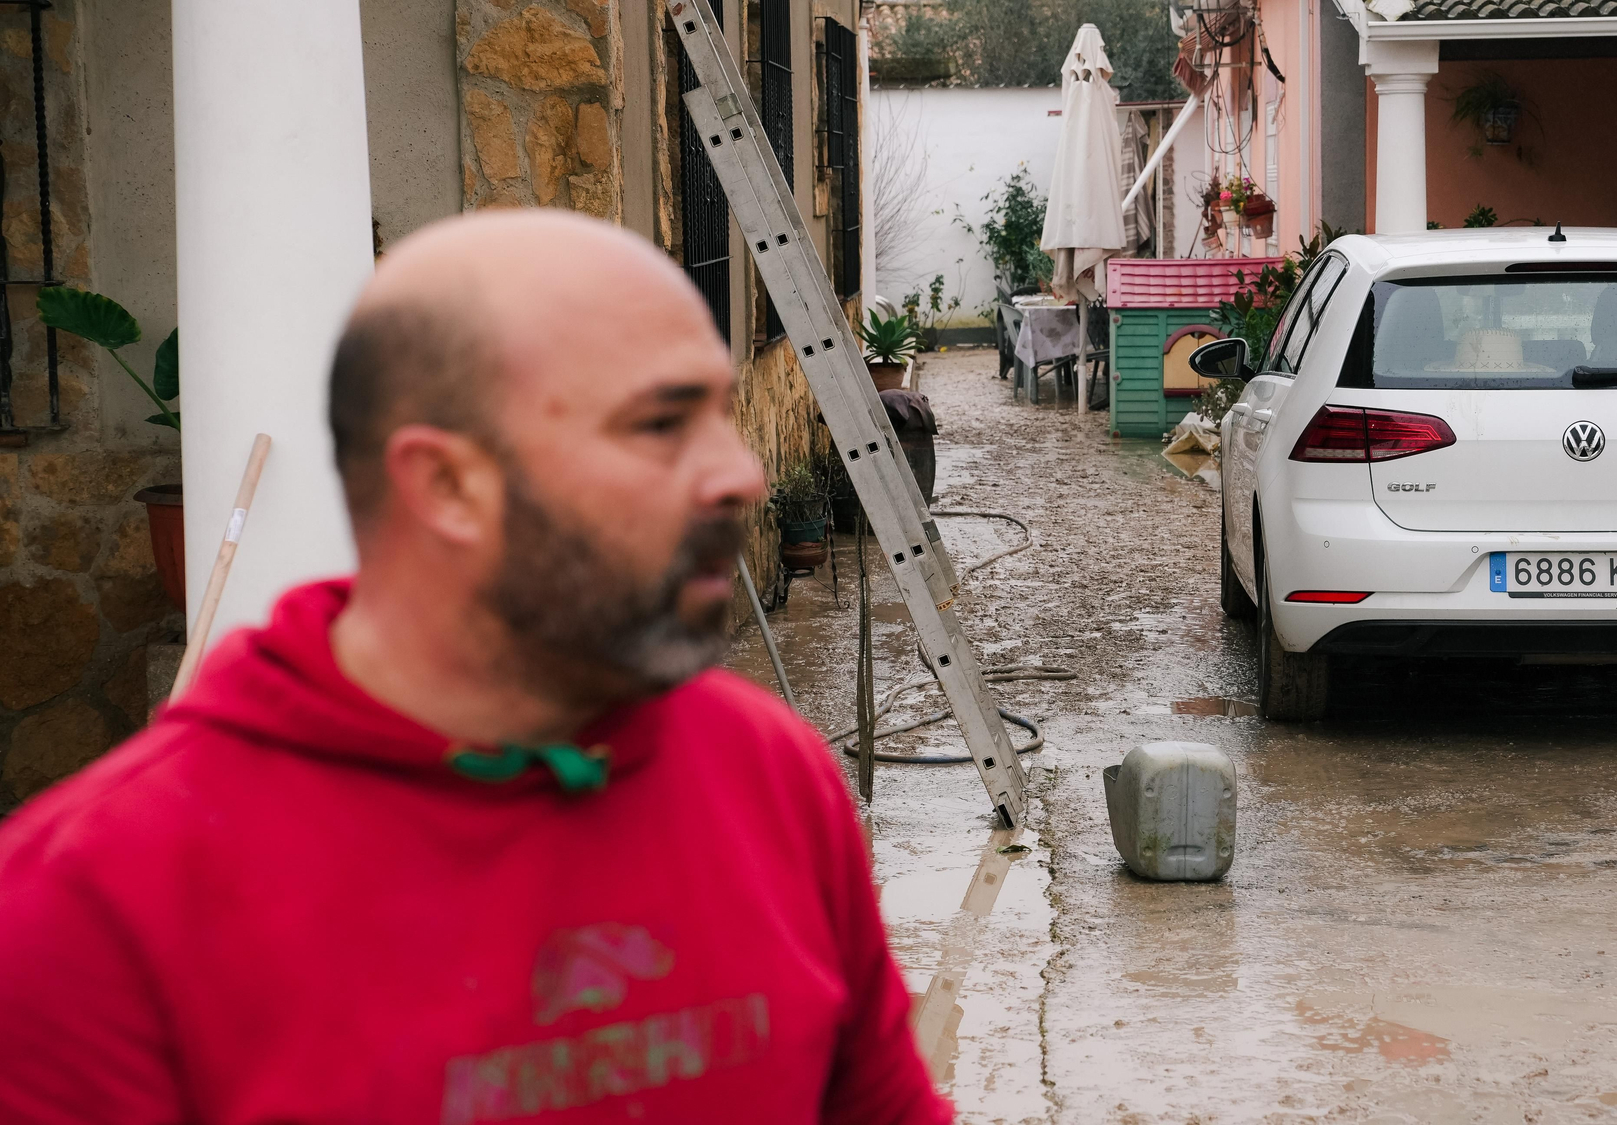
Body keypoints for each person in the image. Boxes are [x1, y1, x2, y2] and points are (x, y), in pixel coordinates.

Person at [0, 211, 952, 1124]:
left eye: (721, 415)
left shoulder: (767, 770)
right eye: (661, 425)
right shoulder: (85, 917)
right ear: (447, 484)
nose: (739, 475)